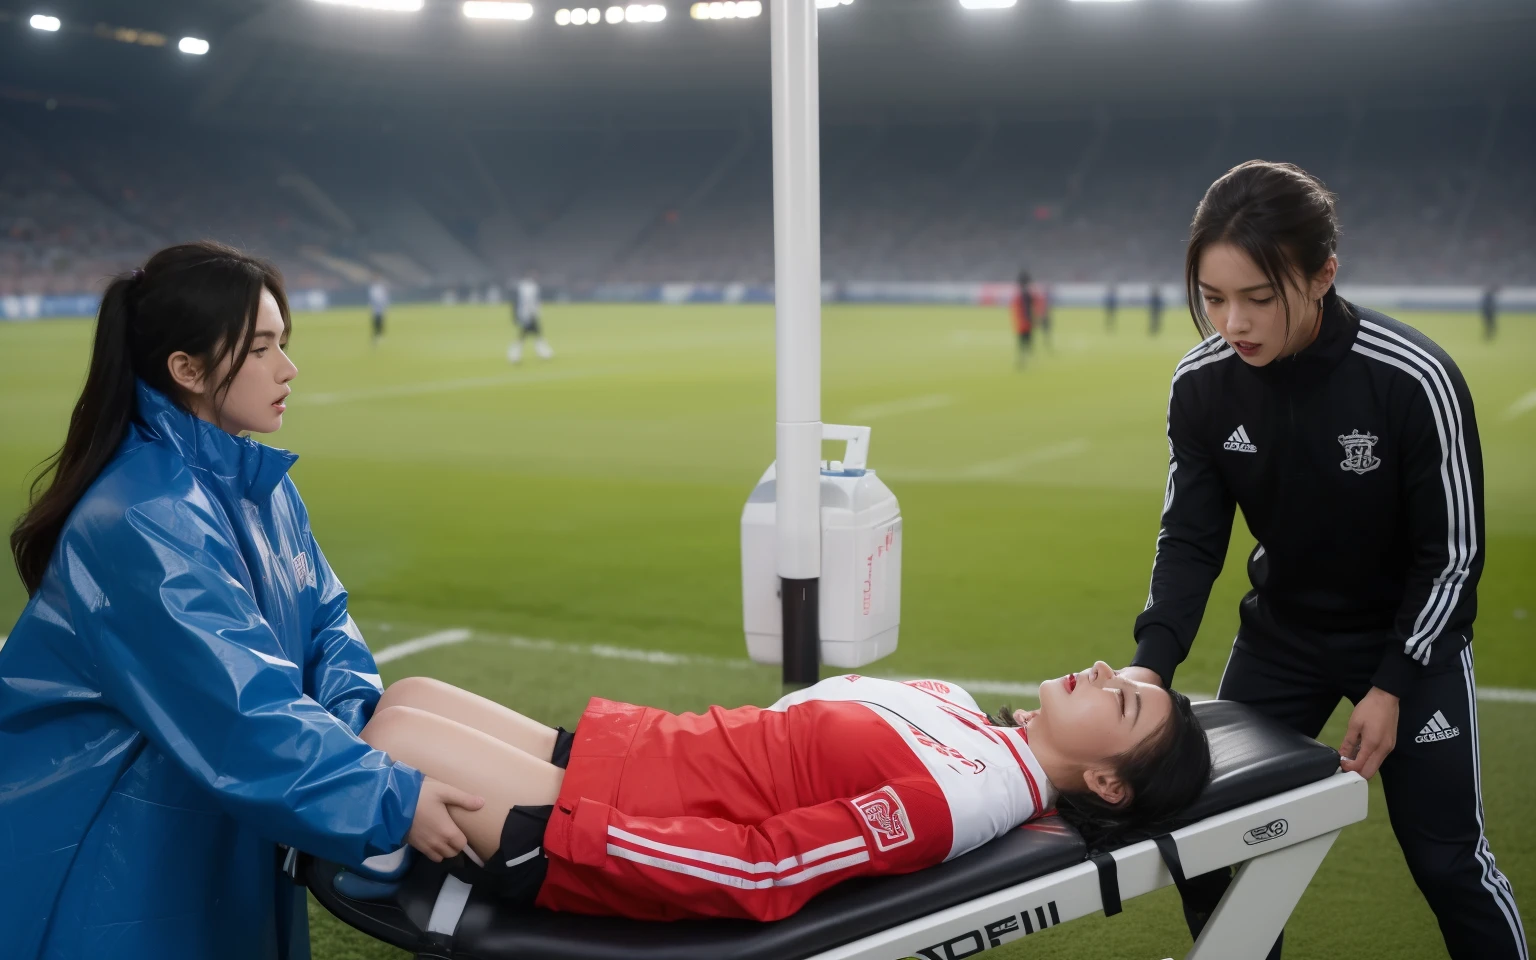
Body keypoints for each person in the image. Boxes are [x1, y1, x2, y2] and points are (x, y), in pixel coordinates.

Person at [0, 243, 480, 960]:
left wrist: (363, 737)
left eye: (284, 343)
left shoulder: (262, 485)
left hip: (209, 832)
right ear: (186, 370)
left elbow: (326, 624)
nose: (288, 369)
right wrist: (386, 797)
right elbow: (234, 708)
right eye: (260, 349)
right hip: (111, 858)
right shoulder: (141, 516)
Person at [1120, 160, 1526, 960]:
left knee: (1447, 865)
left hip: (1411, 643)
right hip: (1283, 641)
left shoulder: (1413, 379)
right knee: (1205, 846)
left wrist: (1394, 682)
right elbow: (1192, 540)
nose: (1233, 321)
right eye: (1213, 297)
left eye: (1259, 297)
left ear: (1323, 275)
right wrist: (1150, 668)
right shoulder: (1202, 386)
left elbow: (1452, 557)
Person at [341, 665, 1210, 922]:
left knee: (388, 741)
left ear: (1106, 782)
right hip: (639, 755)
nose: (1102, 671)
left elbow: (767, 869)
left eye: (1122, 700)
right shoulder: (969, 721)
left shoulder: (962, 795)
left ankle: (392, 857)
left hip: (607, 824)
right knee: (407, 697)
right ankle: (389, 833)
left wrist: (567, 834)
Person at [510, 273, 553, 363]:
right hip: (528, 314)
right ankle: (515, 354)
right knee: (527, 333)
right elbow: (528, 301)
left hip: (527, 314)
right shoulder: (530, 288)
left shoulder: (524, 287)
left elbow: (517, 302)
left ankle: (542, 352)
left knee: (534, 332)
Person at [1011, 269, 1034, 366]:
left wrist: (1026, 319)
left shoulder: (1024, 294)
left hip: (1024, 322)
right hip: (1025, 321)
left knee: (1023, 342)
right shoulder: (1027, 294)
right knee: (1027, 342)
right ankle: (1028, 360)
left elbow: (1025, 308)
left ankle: (1024, 361)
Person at [369, 278, 389, 347]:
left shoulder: (380, 288)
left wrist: (384, 304)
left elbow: (384, 297)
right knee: (376, 321)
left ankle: (379, 334)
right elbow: (374, 298)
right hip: (376, 308)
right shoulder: (374, 288)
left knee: (380, 321)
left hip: (380, 308)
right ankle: (376, 334)